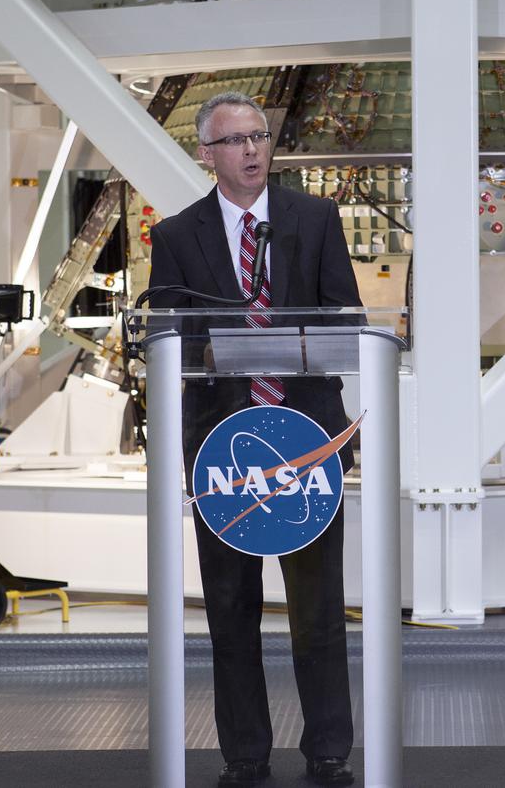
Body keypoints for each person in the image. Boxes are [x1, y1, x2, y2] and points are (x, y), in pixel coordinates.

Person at [147, 91, 361, 787]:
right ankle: (245, 755)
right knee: (231, 611)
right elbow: (165, 337)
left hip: (305, 440)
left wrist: (295, 342)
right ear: (207, 154)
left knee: (317, 610)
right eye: (235, 140)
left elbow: (346, 314)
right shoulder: (178, 235)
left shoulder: (315, 218)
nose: (252, 150)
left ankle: (329, 750)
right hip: (224, 450)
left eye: (260, 136)